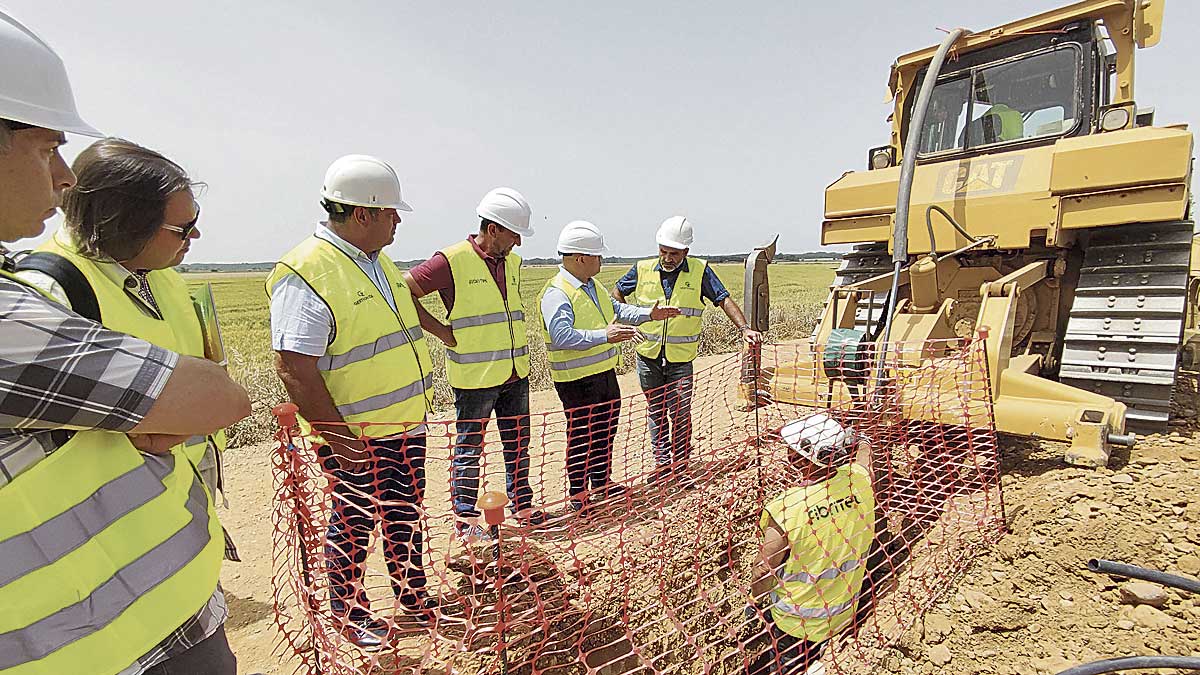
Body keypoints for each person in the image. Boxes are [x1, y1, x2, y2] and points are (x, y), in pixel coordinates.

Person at [0, 9, 252, 675]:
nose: (62, 175)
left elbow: (216, 391)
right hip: (84, 638)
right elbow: (216, 394)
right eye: (45, 146)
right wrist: (182, 404)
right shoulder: (44, 294)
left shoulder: (171, 281)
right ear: (123, 223)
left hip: (172, 586)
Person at [16, 138, 236, 536]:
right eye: (182, 229)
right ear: (125, 226)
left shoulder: (163, 274)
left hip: (181, 493)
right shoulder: (48, 295)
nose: (196, 236)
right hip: (117, 525)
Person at [268, 154, 439, 651]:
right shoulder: (307, 271)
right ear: (362, 214)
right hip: (355, 436)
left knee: (405, 511)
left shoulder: (377, 261)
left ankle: (413, 594)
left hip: (404, 425)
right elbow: (293, 368)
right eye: (390, 212)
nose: (398, 221)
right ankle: (348, 611)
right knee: (355, 521)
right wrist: (339, 440)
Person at [406, 187, 546, 543]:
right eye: (515, 234)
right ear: (494, 228)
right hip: (475, 376)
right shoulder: (449, 260)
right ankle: (466, 521)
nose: (518, 243)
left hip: (516, 371)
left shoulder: (512, 262)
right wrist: (441, 331)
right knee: (469, 449)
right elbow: (403, 289)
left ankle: (523, 504)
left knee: (519, 442)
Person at [539, 220, 679, 512]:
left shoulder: (593, 286)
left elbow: (616, 310)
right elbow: (561, 335)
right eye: (597, 255)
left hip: (603, 373)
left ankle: (601, 483)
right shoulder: (557, 293)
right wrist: (606, 335)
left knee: (605, 429)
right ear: (580, 258)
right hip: (576, 380)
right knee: (581, 436)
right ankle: (578, 496)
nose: (602, 260)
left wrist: (648, 314)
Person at [613, 216, 761, 486]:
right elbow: (617, 293)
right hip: (648, 356)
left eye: (674, 253)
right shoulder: (642, 269)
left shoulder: (700, 271)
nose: (667, 258)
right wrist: (629, 318)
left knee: (680, 411)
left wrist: (744, 329)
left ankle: (680, 467)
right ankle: (662, 466)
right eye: (664, 251)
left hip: (681, 360)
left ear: (686, 252)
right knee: (656, 411)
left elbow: (723, 299)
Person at [746, 413, 876, 675]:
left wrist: (756, 601)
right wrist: (864, 441)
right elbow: (866, 463)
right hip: (843, 612)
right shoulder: (859, 481)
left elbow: (764, 568)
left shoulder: (787, 508)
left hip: (796, 624)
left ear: (797, 457)